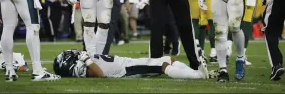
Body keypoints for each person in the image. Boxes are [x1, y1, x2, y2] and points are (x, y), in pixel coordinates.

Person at [53, 50, 208, 79]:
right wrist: (86, 59)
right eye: (68, 56)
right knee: (161, 67)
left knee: (168, 59)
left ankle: (196, 72)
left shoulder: (80, 60)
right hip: (125, 70)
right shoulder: (80, 68)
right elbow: (99, 74)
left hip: (126, 62)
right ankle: (197, 75)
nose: (71, 54)